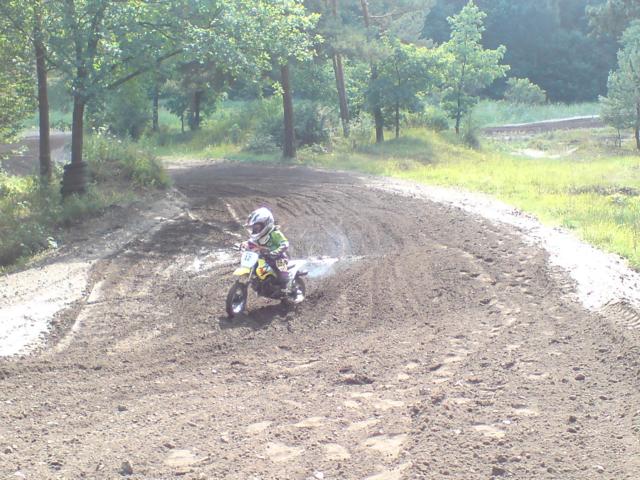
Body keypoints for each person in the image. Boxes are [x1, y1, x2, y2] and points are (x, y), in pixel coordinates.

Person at [244, 207, 291, 292]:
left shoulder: (275, 233)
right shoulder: (258, 236)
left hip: (278, 257)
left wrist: (275, 252)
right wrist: (244, 245)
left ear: (266, 223)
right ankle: (261, 284)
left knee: (282, 273)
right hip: (264, 258)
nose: (254, 230)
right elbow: (250, 243)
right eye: (253, 228)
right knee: (255, 267)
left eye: (256, 228)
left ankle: (286, 289)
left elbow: (285, 243)